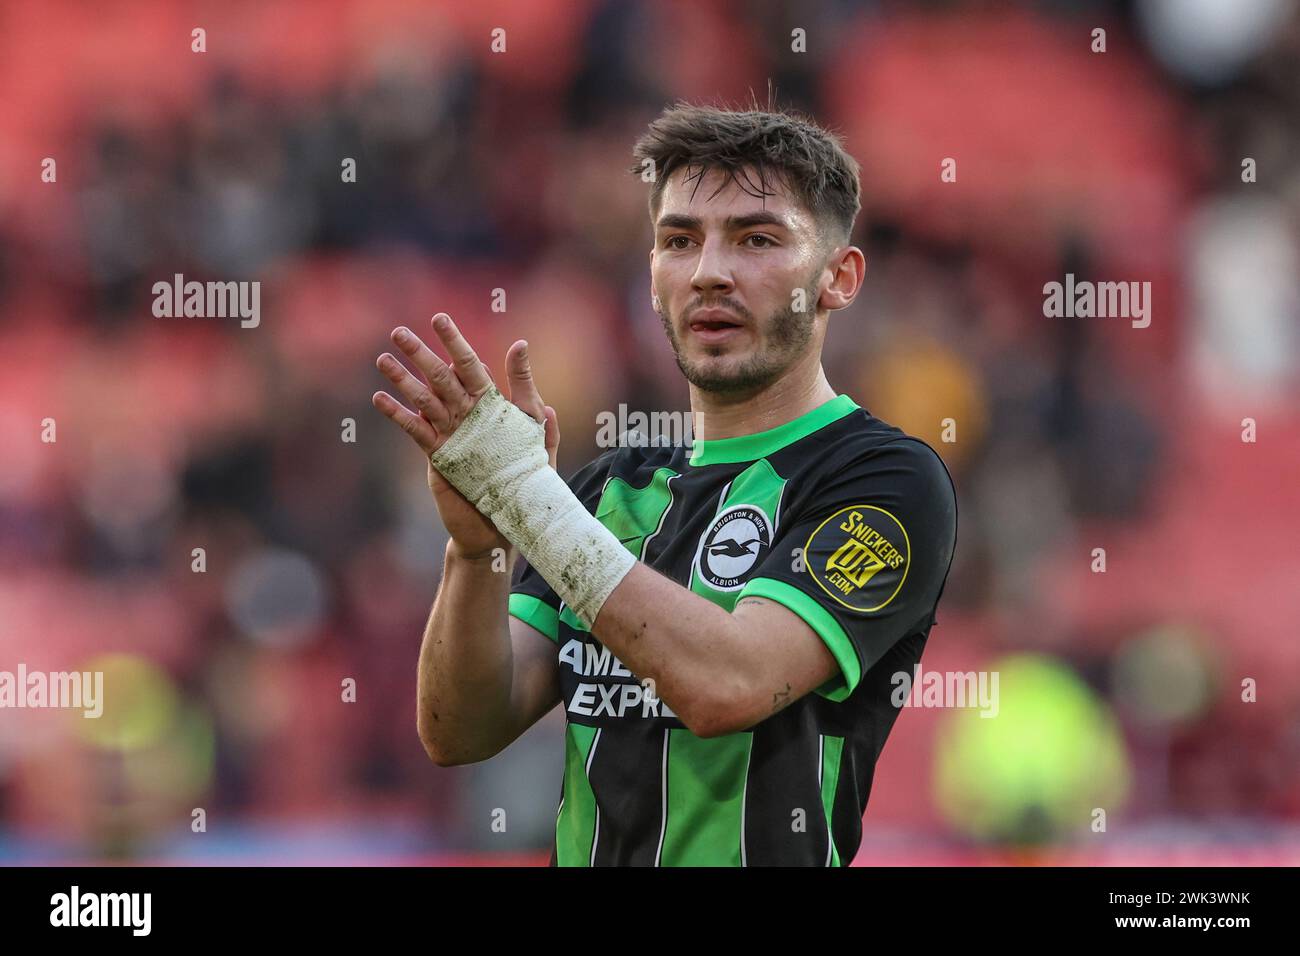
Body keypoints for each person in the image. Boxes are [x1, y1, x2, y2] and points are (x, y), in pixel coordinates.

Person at [371, 103, 958, 866]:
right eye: (679, 240)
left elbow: (729, 684)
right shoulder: (603, 492)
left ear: (837, 279)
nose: (710, 271)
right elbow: (460, 730)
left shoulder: (886, 479)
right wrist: (474, 546)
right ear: (652, 278)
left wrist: (528, 501)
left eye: (757, 238)